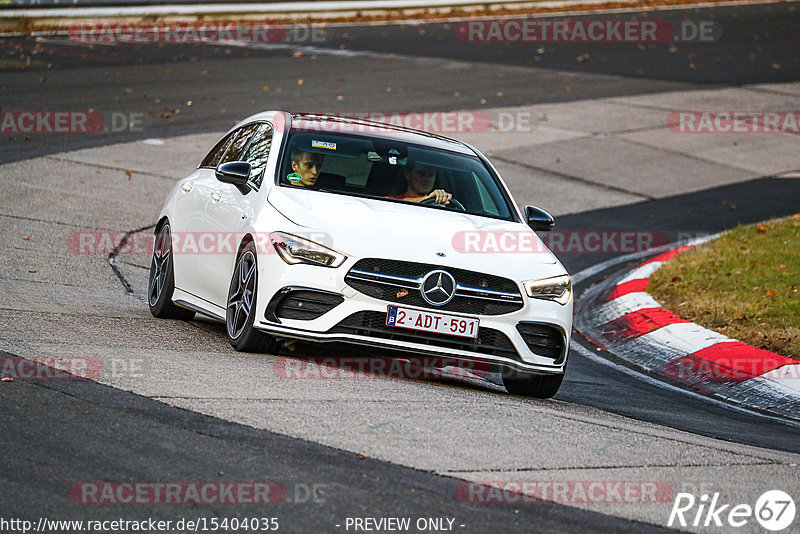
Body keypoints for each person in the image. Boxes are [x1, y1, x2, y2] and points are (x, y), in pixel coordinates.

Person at [388, 162, 452, 205]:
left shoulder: (441, 205)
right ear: (408, 174)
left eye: (431, 175)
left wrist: (443, 198)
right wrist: (427, 199)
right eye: (421, 173)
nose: (427, 179)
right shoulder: (391, 200)